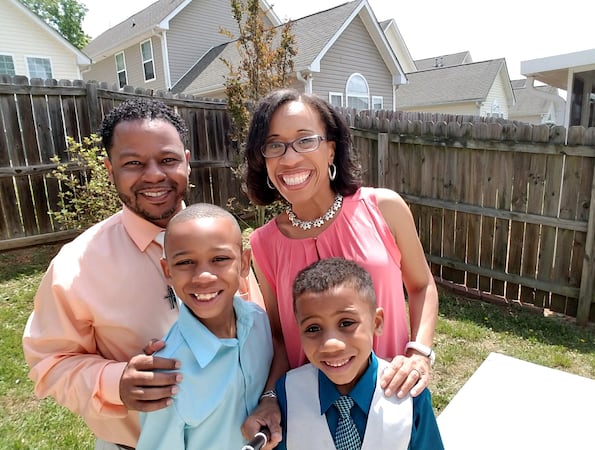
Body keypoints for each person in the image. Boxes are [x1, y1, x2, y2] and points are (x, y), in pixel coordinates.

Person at [22, 98, 262, 449]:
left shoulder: (221, 237)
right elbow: (48, 364)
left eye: (167, 160)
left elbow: (257, 325)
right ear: (110, 169)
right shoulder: (75, 268)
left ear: (187, 163)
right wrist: (115, 381)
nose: (153, 175)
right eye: (134, 163)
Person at [242, 88, 439, 447]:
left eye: (305, 140)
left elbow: (422, 286)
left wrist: (419, 354)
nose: (290, 158)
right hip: (313, 418)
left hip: (392, 400)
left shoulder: (384, 208)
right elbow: (280, 337)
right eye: (275, 145)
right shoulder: (263, 244)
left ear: (330, 148)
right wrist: (272, 398)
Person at [136, 203, 272, 449]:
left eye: (219, 259)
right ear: (167, 271)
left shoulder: (258, 322)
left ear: (244, 263)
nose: (203, 276)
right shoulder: (167, 377)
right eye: (186, 262)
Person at [275, 258, 444, 450]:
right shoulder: (287, 394)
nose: (331, 344)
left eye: (346, 323)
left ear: (376, 322)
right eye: (313, 328)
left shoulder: (410, 396)